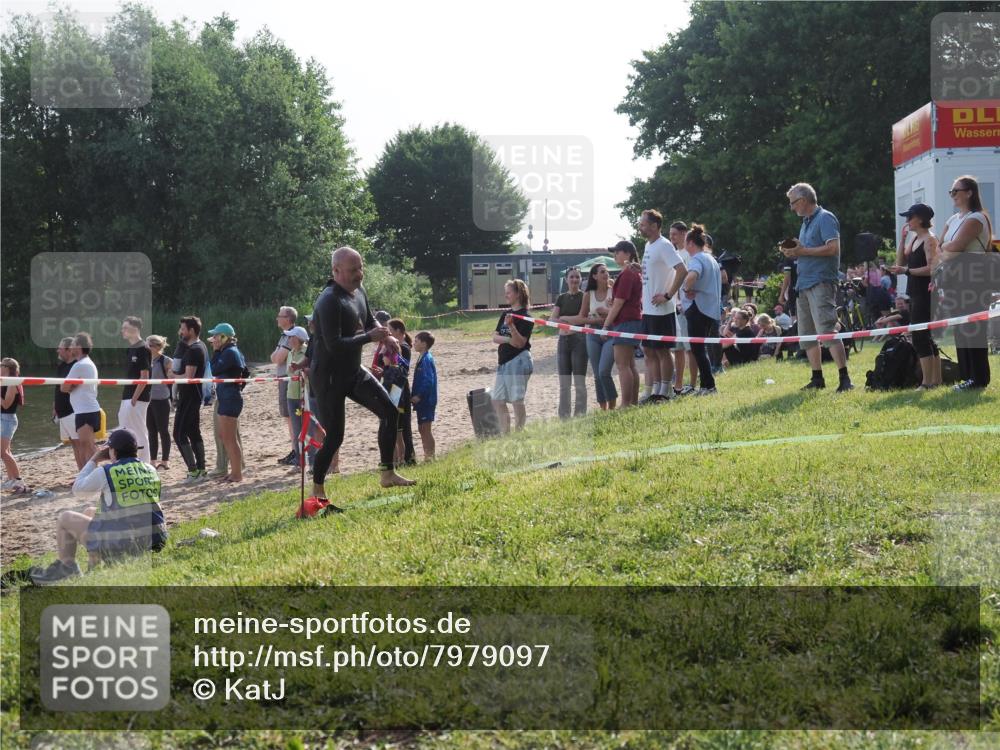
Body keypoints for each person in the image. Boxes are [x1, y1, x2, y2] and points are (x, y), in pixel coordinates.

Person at [310, 246, 414, 506]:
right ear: (336, 271)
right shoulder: (328, 300)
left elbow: (369, 321)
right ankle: (317, 489)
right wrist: (370, 338)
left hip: (353, 371)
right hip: (328, 377)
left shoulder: (358, 292)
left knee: (390, 413)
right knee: (335, 437)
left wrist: (386, 335)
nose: (360, 274)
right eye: (353, 270)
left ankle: (387, 473)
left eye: (361, 267)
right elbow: (334, 344)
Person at [29, 428, 166, 585]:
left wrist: (94, 459)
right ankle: (94, 567)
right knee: (90, 511)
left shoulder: (107, 471)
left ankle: (67, 568)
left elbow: (78, 490)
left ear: (112, 451)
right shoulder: (151, 469)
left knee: (65, 518)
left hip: (125, 544)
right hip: (154, 540)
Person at [781, 182, 853, 392]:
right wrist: (795, 250)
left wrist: (802, 251)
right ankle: (817, 378)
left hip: (821, 281)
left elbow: (833, 248)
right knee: (807, 334)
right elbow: (807, 249)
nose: (792, 207)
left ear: (803, 201)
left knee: (827, 329)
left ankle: (844, 378)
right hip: (804, 283)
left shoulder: (825, 218)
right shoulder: (805, 222)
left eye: (793, 203)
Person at [939, 175, 994, 390]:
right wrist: (947, 249)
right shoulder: (953, 220)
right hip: (955, 277)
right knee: (960, 329)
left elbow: (957, 246)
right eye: (950, 191)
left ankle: (979, 378)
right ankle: (966, 376)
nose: (952, 195)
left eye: (956, 191)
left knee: (974, 328)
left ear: (969, 192)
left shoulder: (977, 218)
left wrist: (948, 249)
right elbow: (941, 246)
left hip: (974, 277)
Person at [890, 203, 942, 389]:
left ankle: (927, 382)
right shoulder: (915, 239)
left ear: (920, 219)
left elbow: (932, 268)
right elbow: (901, 261)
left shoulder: (930, 240)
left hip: (926, 293)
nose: (907, 221)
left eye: (909, 217)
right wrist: (903, 239)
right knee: (925, 336)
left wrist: (907, 271)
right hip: (915, 292)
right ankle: (935, 380)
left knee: (920, 336)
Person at [637, 210, 687, 404]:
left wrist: (668, 296)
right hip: (648, 309)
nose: (640, 227)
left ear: (655, 225)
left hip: (662, 310)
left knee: (662, 351)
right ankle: (656, 388)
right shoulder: (648, 245)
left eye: (643, 223)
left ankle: (666, 390)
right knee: (649, 350)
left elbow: (682, 270)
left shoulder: (664, 245)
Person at [600, 240, 644, 407]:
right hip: (631, 320)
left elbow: (619, 303)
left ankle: (626, 404)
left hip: (626, 322)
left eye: (617, 252)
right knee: (630, 364)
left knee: (622, 365)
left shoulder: (627, 274)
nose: (615, 255)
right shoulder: (633, 273)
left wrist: (605, 326)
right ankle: (632, 402)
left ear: (627, 253)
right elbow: (621, 301)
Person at [681, 224, 723, 395]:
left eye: (685, 242)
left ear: (690, 243)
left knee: (698, 350)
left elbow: (692, 276)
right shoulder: (711, 258)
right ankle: (707, 385)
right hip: (710, 309)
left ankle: (708, 386)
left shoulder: (696, 259)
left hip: (698, 309)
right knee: (701, 349)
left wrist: (686, 288)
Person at [491, 279, 535, 432]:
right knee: (497, 399)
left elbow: (520, 343)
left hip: (518, 360)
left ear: (518, 294)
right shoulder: (506, 313)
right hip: (504, 362)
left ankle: (519, 433)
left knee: (517, 400)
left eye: (509, 292)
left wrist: (511, 327)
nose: (506, 296)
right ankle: (506, 434)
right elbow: (495, 337)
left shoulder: (526, 316)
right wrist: (509, 338)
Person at [208, 323, 246, 483]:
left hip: (230, 397)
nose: (213, 339)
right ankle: (234, 472)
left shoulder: (230, 352)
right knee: (225, 437)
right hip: (227, 396)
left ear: (224, 337)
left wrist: (216, 351)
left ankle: (237, 474)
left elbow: (214, 369)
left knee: (229, 438)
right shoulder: (228, 351)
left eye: (216, 336)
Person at [576, 263, 617, 410]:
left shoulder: (614, 291)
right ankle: (603, 408)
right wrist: (595, 320)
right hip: (592, 333)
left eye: (606, 271)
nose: (606, 274)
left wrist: (606, 312)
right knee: (596, 373)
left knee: (603, 370)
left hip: (611, 331)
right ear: (594, 276)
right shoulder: (588, 294)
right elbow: (581, 318)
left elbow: (618, 313)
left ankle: (612, 405)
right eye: (602, 272)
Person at [172, 316, 208, 482]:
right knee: (193, 432)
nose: (180, 332)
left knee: (179, 434)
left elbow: (188, 377)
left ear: (192, 330)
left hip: (190, 397)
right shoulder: (197, 347)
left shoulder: (195, 350)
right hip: (190, 396)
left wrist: (171, 375)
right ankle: (201, 469)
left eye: (183, 329)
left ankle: (193, 471)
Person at [551, 266, 588, 417]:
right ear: (566, 280)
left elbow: (583, 318)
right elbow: (553, 319)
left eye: (577, 277)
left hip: (579, 341)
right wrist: (569, 322)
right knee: (564, 384)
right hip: (563, 341)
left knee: (579, 381)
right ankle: (564, 417)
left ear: (580, 279)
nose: (574, 280)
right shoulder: (561, 297)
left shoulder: (585, 296)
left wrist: (564, 320)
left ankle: (580, 414)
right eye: (571, 277)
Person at [62, 333, 101, 462]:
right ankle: (89, 474)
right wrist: (71, 386)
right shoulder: (85, 363)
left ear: (79, 346)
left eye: (72, 345)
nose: (70, 348)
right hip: (85, 409)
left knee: (87, 446)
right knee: (87, 445)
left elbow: (63, 388)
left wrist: (71, 386)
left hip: (86, 410)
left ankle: (92, 474)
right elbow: (67, 387)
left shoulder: (79, 365)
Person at [668, 221, 697, 395]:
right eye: (670, 234)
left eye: (675, 234)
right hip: (676, 307)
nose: (672, 237)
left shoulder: (689, 254)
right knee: (678, 348)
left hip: (688, 307)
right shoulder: (674, 253)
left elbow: (689, 277)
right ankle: (678, 385)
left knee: (690, 348)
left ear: (684, 233)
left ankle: (692, 384)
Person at [117, 317, 151, 463]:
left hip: (138, 397)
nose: (122, 330)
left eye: (125, 327)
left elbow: (145, 377)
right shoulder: (130, 349)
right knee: (125, 427)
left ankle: (145, 463)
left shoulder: (143, 348)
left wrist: (134, 399)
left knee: (139, 430)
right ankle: (131, 460)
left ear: (135, 329)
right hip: (128, 395)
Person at [384, 319, 417, 466]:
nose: (389, 333)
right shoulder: (399, 346)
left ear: (398, 331)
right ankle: (400, 458)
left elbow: (401, 369)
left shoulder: (403, 347)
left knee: (401, 426)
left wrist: (387, 365)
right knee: (398, 425)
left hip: (399, 389)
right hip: (396, 387)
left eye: (390, 330)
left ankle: (406, 458)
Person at [271, 306, 299, 465]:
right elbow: (274, 357)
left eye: (279, 316)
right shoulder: (284, 336)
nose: (277, 318)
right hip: (283, 378)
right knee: (288, 418)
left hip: (288, 379)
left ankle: (297, 451)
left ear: (287, 318)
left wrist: (276, 355)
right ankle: (295, 450)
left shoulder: (292, 335)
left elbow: (277, 358)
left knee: (291, 418)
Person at [53, 337, 85, 470]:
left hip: (73, 410)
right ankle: (81, 473)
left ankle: (85, 473)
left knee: (80, 444)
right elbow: (57, 388)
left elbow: (76, 385)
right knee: (73, 443)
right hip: (62, 411)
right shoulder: (62, 366)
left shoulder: (76, 365)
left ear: (69, 350)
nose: (57, 351)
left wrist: (68, 387)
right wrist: (54, 406)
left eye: (60, 349)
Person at [286, 325, 315, 468]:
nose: (289, 339)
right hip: (292, 394)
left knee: (309, 428)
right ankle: (299, 461)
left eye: (291, 336)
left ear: (298, 338)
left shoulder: (307, 351)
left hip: (306, 393)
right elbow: (290, 373)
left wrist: (300, 370)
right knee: (297, 429)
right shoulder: (290, 352)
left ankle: (311, 460)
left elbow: (307, 372)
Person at [145, 335, 173, 471]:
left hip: (162, 400)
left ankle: (165, 461)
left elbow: (173, 379)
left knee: (163, 431)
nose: (146, 347)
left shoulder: (166, 361)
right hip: (148, 401)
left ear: (156, 347)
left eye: (148, 345)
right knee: (151, 431)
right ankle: (153, 461)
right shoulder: (146, 361)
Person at [410, 331, 438, 460]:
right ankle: (427, 454)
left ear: (424, 344)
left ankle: (430, 457)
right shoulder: (422, 357)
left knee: (426, 429)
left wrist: (419, 396)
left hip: (426, 400)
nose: (413, 343)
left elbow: (428, 380)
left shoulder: (427, 359)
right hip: (422, 400)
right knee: (422, 428)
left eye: (416, 341)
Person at [1, 358, 26, 493]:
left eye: (1, 365)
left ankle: (18, 481)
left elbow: (6, 404)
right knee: (6, 452)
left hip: (8, 419)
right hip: (3, 419)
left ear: (7, 368)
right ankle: (12, 481)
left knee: (2, 452)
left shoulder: (13, 383)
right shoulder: (5, 381)